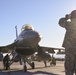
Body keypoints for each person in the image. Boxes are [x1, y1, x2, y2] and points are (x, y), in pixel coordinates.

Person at [58, 10, 76, 75]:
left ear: (71, 16)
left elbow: (60, 22)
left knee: (69, 68)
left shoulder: (68, 24)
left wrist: (66, 17)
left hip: (70, 49)